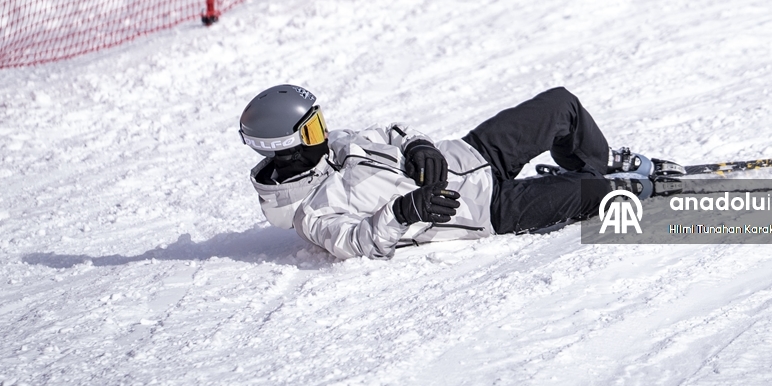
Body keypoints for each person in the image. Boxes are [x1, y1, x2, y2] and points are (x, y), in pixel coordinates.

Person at [239, 85, 677, 260]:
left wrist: (419, 145)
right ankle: (601, 184)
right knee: (598, 191)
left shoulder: (332, 146)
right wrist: (405, 210)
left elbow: (389, 130)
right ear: (285, 146)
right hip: (486, 209)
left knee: (561, 105)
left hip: (473, 154)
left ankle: (593, 163)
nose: (325, 130)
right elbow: (358, 243)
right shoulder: (311, 213)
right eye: (312, 126)